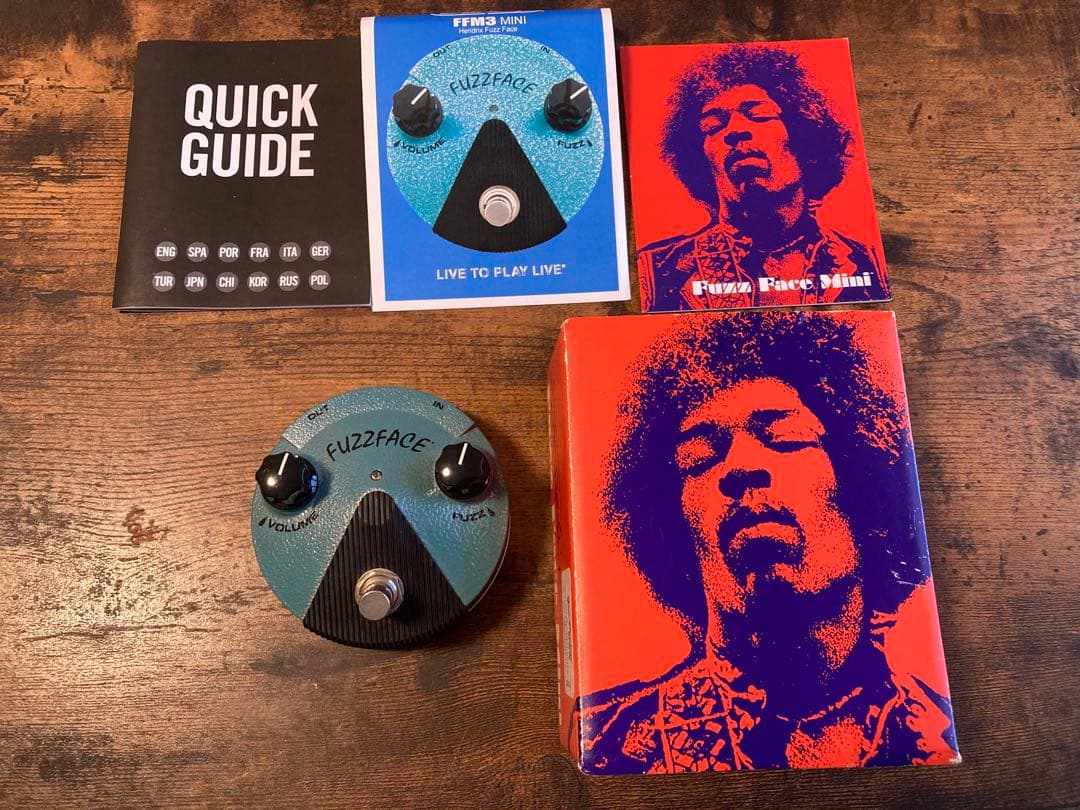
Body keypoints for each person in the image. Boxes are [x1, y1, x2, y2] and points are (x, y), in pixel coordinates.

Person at [577, 314, 958, 773]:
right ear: (673, 529)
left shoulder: (935, 731)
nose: (739, 467)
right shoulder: (606, 741)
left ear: (865, 492)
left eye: (785, 438)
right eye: (699, 459)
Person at [639, 46, 888, 311]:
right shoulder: (654, 274)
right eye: (712, 126)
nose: (734, 130)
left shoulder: (870, 267)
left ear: (806, 140)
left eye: (759, 115)